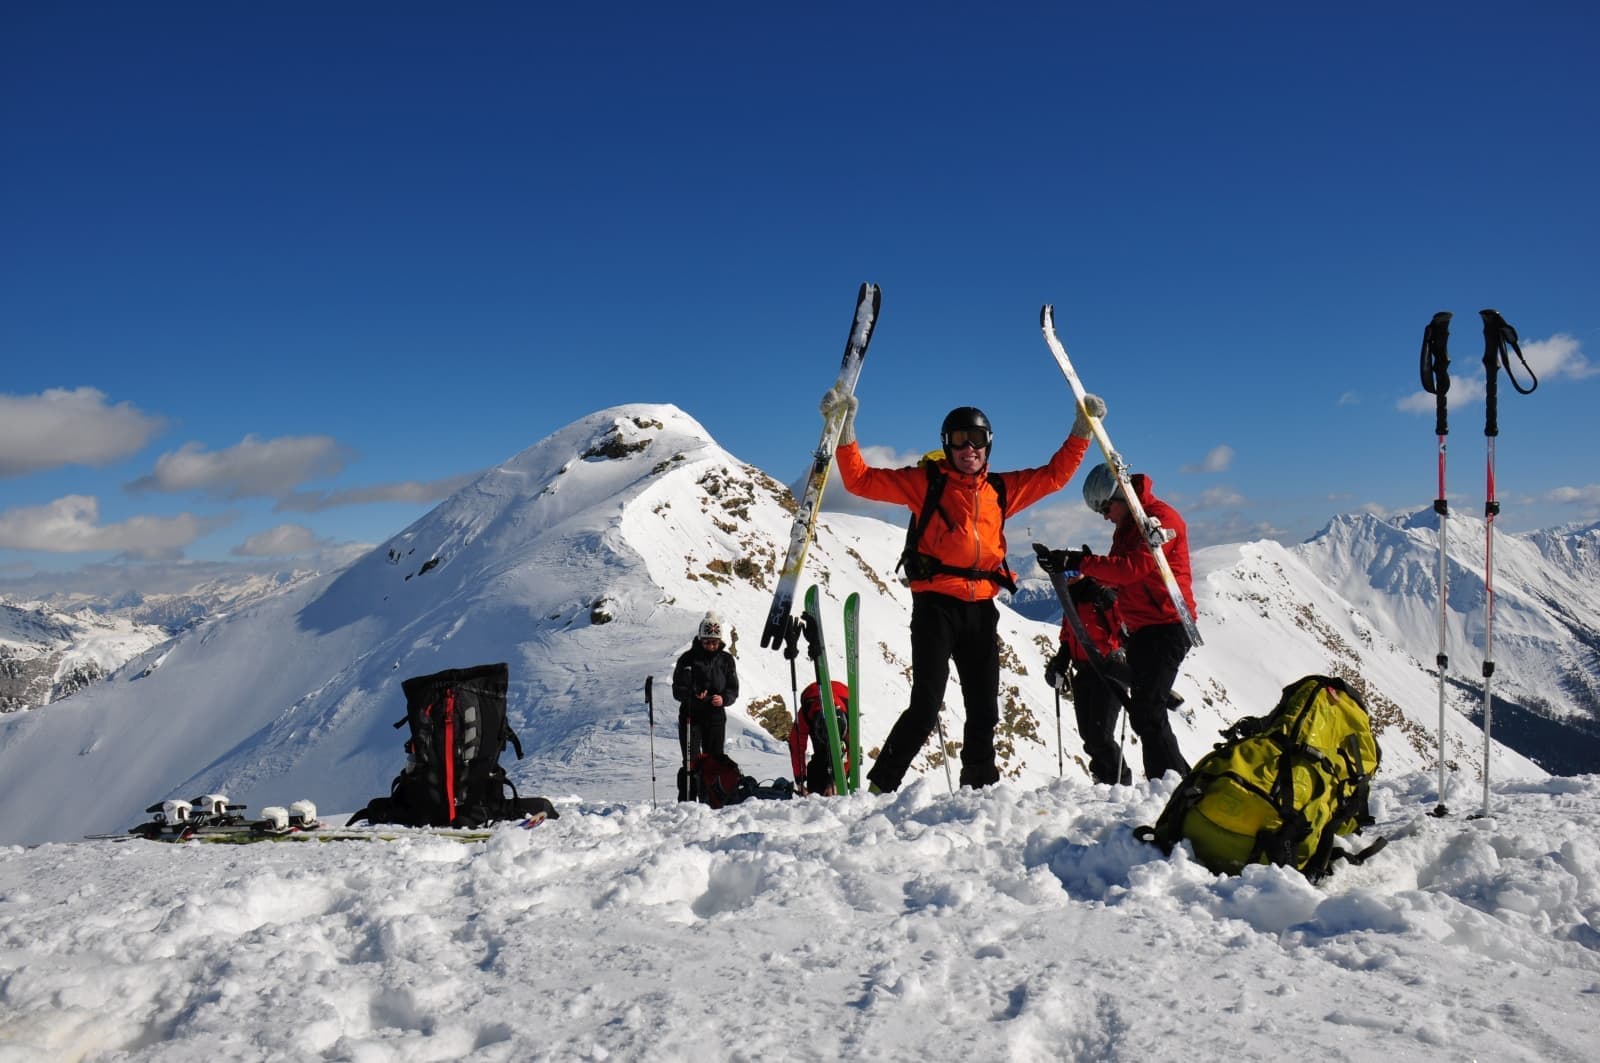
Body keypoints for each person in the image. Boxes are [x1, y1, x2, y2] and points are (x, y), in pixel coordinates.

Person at [822, 387, 1105, 791]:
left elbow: (1054, 477)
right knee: (925, 704)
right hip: (936, 605)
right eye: (958, 439)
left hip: (982, 608)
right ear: (946, 445)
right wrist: (844, 430)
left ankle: (979, 786)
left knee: (985, 708)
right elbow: (860, 481)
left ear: (988, 445)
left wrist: (1082, 430)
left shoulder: (1001, 490)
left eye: (977, 439)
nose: (968, 447)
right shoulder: (925, 483)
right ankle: (882, 786)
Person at [1043, 465, 1196, 780]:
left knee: (1147, 712)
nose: (1104, 515)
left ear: (1120, 496)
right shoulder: (1126, 528)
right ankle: (1177, 782)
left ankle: (1171, 785)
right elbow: (1117, 578)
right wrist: (1086, 582)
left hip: (1167, 623)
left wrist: (1077, 562)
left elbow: (1131, 569)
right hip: (1142, 628)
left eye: (1104, 507)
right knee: (1145, 713)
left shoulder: (1158, 519)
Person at [1043, 573, 1134, 786]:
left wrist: (1130, 663)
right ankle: (1103, 779)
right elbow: (1068, 639)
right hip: (1083, 672)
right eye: (1064, 574)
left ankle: (1119, 783)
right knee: (1088, 736)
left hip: (1109, 671)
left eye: (1074, 573)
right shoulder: (1071, 602)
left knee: (1101, 736)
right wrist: (1059, 664)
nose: (1069, 578)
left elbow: (1124, 632)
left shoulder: (1103, 597)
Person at [671, 610, 739, 802]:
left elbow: (733, 689)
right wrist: (692, 695)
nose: (711, 646)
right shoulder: (687, 659)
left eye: (714, 642)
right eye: (707, 641)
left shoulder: (726, 660)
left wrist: (723, 699)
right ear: (700, 639)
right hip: (691, 715)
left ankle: (713, 799)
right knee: (691, 762)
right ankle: (688, 802)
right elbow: (677, 690)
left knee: (715, 760)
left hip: (716, 716)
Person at [787, 680, 852, 796]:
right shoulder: (805, 714)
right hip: (815, 707)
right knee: (819, 762)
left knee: (841, 757)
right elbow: (796, 747)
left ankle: (835, 787)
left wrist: (837, 782)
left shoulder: (850, 716)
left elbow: (853, 751)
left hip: (843, 700)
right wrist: (800, 781)